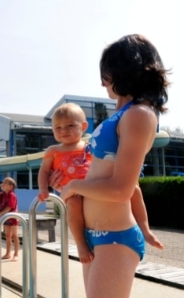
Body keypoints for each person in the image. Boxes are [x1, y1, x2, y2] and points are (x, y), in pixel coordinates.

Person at [60, 35, 170, 298]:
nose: (102, 82)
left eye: (107, 73)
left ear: (125, 69)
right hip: (94, 236)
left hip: (115, 237)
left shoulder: (140, 115)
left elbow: (122, 189)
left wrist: (74, 187)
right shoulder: (124, 113)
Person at [38, 102, 160, 265]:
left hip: (94, 187)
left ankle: (145, 229)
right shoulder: (53, 150)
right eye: (57, 127)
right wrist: (44, 189)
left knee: (135, 190)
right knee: (73, 206)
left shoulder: (90, 146)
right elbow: (44, 172)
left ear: (84, 126)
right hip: (72, 191)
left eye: (70, 125)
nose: (63, 130)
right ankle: (81, 244)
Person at [0, 177, 20, 260]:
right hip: (6, 217)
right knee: (7, 236)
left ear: (10, 187)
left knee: (14, 236)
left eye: (5, 183)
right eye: (3, 182)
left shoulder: (12, 195)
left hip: (13, 217)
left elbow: (9, 207)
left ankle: (16, 254)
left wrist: (1, 213)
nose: (2, 184)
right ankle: (8, 253)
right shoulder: (1, 194)